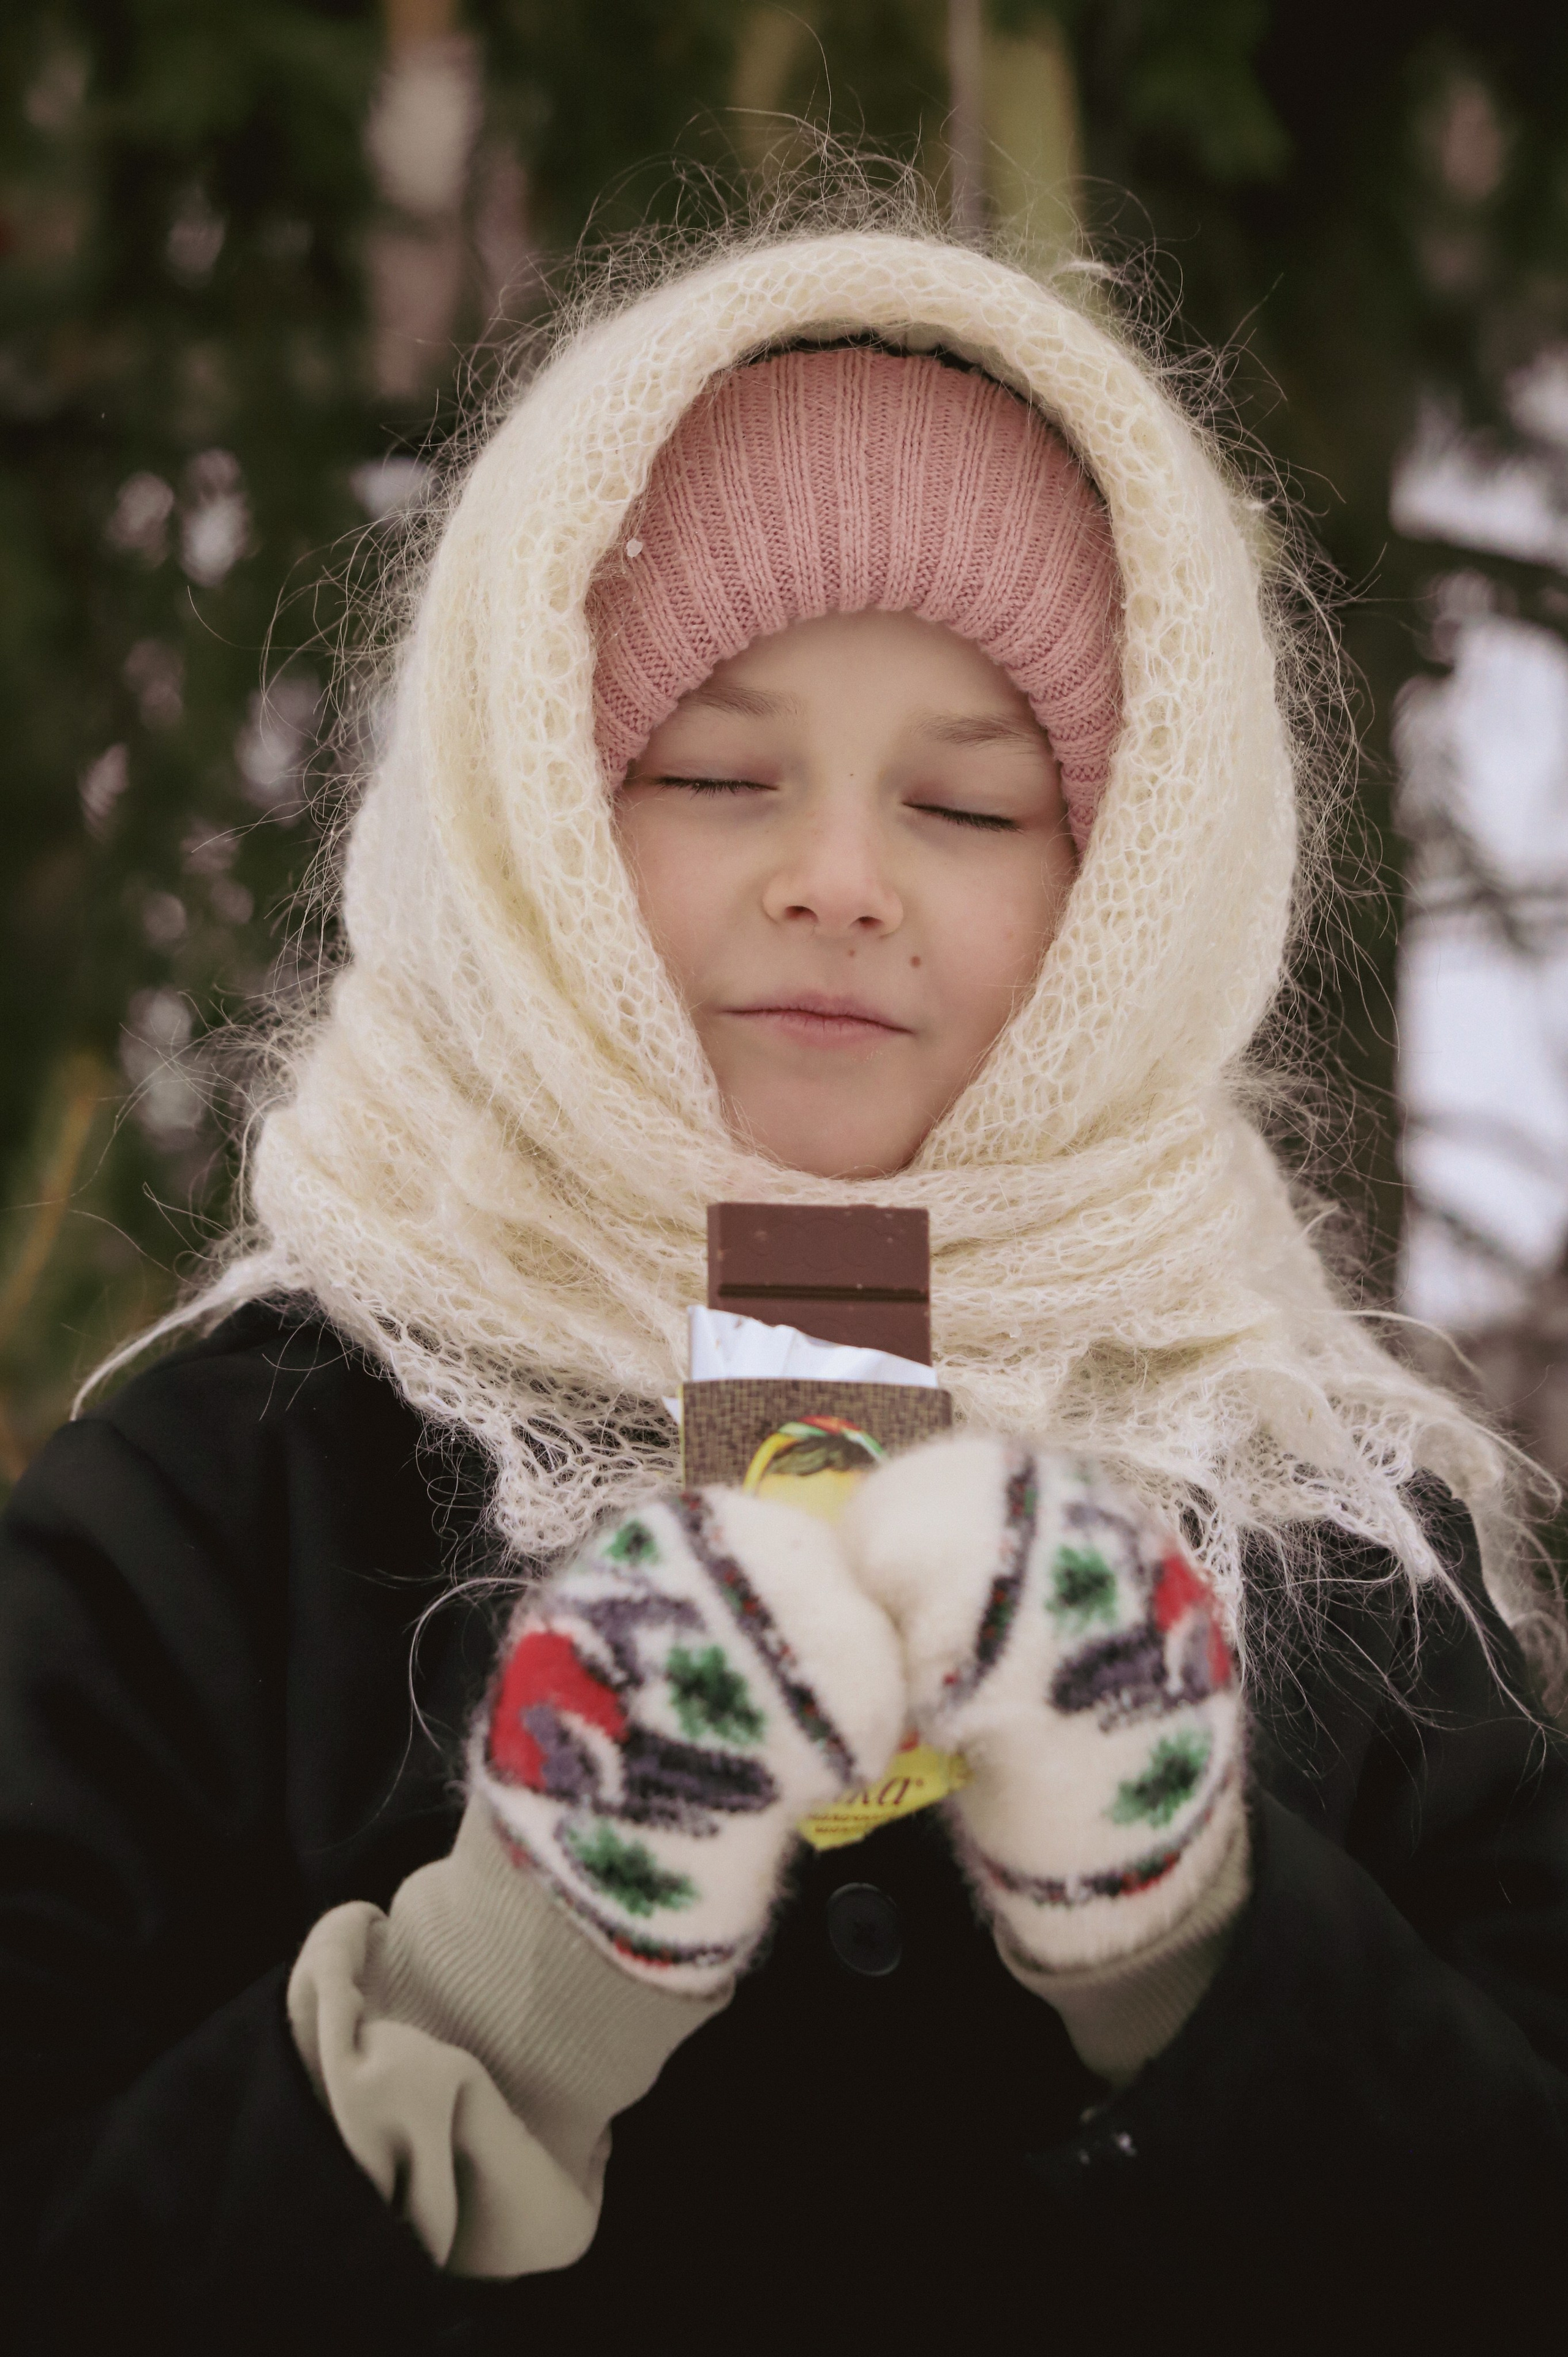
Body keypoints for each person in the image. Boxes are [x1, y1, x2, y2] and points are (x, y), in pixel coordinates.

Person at [4, 204, 1566, 2353]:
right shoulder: (234, 1495)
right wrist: (481, 2009)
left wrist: (1200, 1948)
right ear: (532, 815)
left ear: (1130, 887)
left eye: (973, 804)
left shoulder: (1322, 1549)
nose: (837, 882)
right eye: (716, 774)